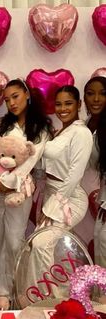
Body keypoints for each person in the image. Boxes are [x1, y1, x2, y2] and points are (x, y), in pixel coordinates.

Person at [0, 79, 52, 311]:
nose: (11, 103)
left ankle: (17, 290)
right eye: (7, 99)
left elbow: (31, 161)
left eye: (16, 96)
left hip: (20, 191)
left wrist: (7, 183)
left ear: (27, 94)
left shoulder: (40, 128)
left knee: (14, 241)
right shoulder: (1, 124)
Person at [25, 85, 93, 302]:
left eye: (68, 103)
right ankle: (55, 298)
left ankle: (44, 300)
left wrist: (54, 205)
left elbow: (75, 174)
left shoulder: (81, 133)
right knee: (52, 250)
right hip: (52, 193)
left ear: (79, 105)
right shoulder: (61, 131)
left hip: (68, 198)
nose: (62, 109)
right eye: (59, 104)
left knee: (40, 244)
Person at [84, 77, 106, 268]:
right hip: (103, 201)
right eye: (91, 94)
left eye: (102, 94)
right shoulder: (88, 125)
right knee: (101, 244)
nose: (96, 99)